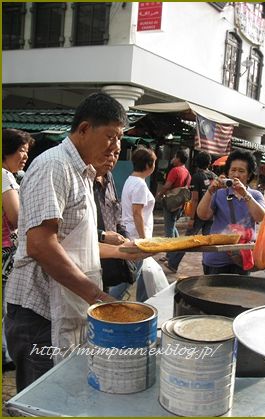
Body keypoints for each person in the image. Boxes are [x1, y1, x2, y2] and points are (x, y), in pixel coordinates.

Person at [4, 92, 149, 392]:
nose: (117, 147)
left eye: (120, 138)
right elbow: (41, 245)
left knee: (66, 394)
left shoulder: (83, 172)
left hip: (64, 306)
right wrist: (98, 297)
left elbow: (77, 242)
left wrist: (126, 251)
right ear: (84, 129)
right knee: (43, 401)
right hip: (38, 313)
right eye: (111, 136)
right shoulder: (54, 166)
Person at [197, 149, 265, 275]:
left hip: (242, 258)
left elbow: (261, 218)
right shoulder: (219, 193)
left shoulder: (255, 195)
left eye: (241, 171)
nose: (236, 175)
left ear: (249, 174)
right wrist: (210, 191)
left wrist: (245, 193)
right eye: (233, 170)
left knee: (239, 294)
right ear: (227, 172)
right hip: (216, 258)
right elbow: (203, 215)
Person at [2, 129, 34, 372]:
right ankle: (6, 355)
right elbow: (15, 217)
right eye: (21, 151)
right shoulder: (4, 176)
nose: (24, 156)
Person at [93, 141, 135, 299]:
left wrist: (126, 237)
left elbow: (117, 215)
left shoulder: (109, 178)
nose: (111, 158)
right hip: (90, 256)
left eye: (116, 154)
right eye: (107, 153)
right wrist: (102, 235)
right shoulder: (84, 180)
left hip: (110, 260)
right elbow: (73, 229)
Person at [164, 151, 217, 273]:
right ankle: (210, 268)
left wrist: (192, 218)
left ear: (197, 163)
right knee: (209, 243)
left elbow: (195, 199)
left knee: (187, 241)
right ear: (209, 163)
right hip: (211, 214)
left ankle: (172, 263)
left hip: (199, 215)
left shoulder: (197, 177)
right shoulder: (214, 176)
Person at [121, 147, 157, 302]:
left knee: (142, 272)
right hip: (136, 235)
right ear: (149, 165)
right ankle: (108, 301)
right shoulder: (140, 185)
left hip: (131, 232)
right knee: (132, 274)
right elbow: (137, 213)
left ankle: (144, 302)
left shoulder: (131, 180)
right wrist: (144, 240)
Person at [157, 149, 191, 262]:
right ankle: (177, 247)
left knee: (169, 228)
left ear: (179, 159)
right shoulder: (187, 172)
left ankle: (169, 255)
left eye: (175, 156)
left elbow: (167, 185)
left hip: (171, 202)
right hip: (180, 203)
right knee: (172, 225)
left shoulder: (175, 170)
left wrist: (160, 194)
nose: (173, 159)